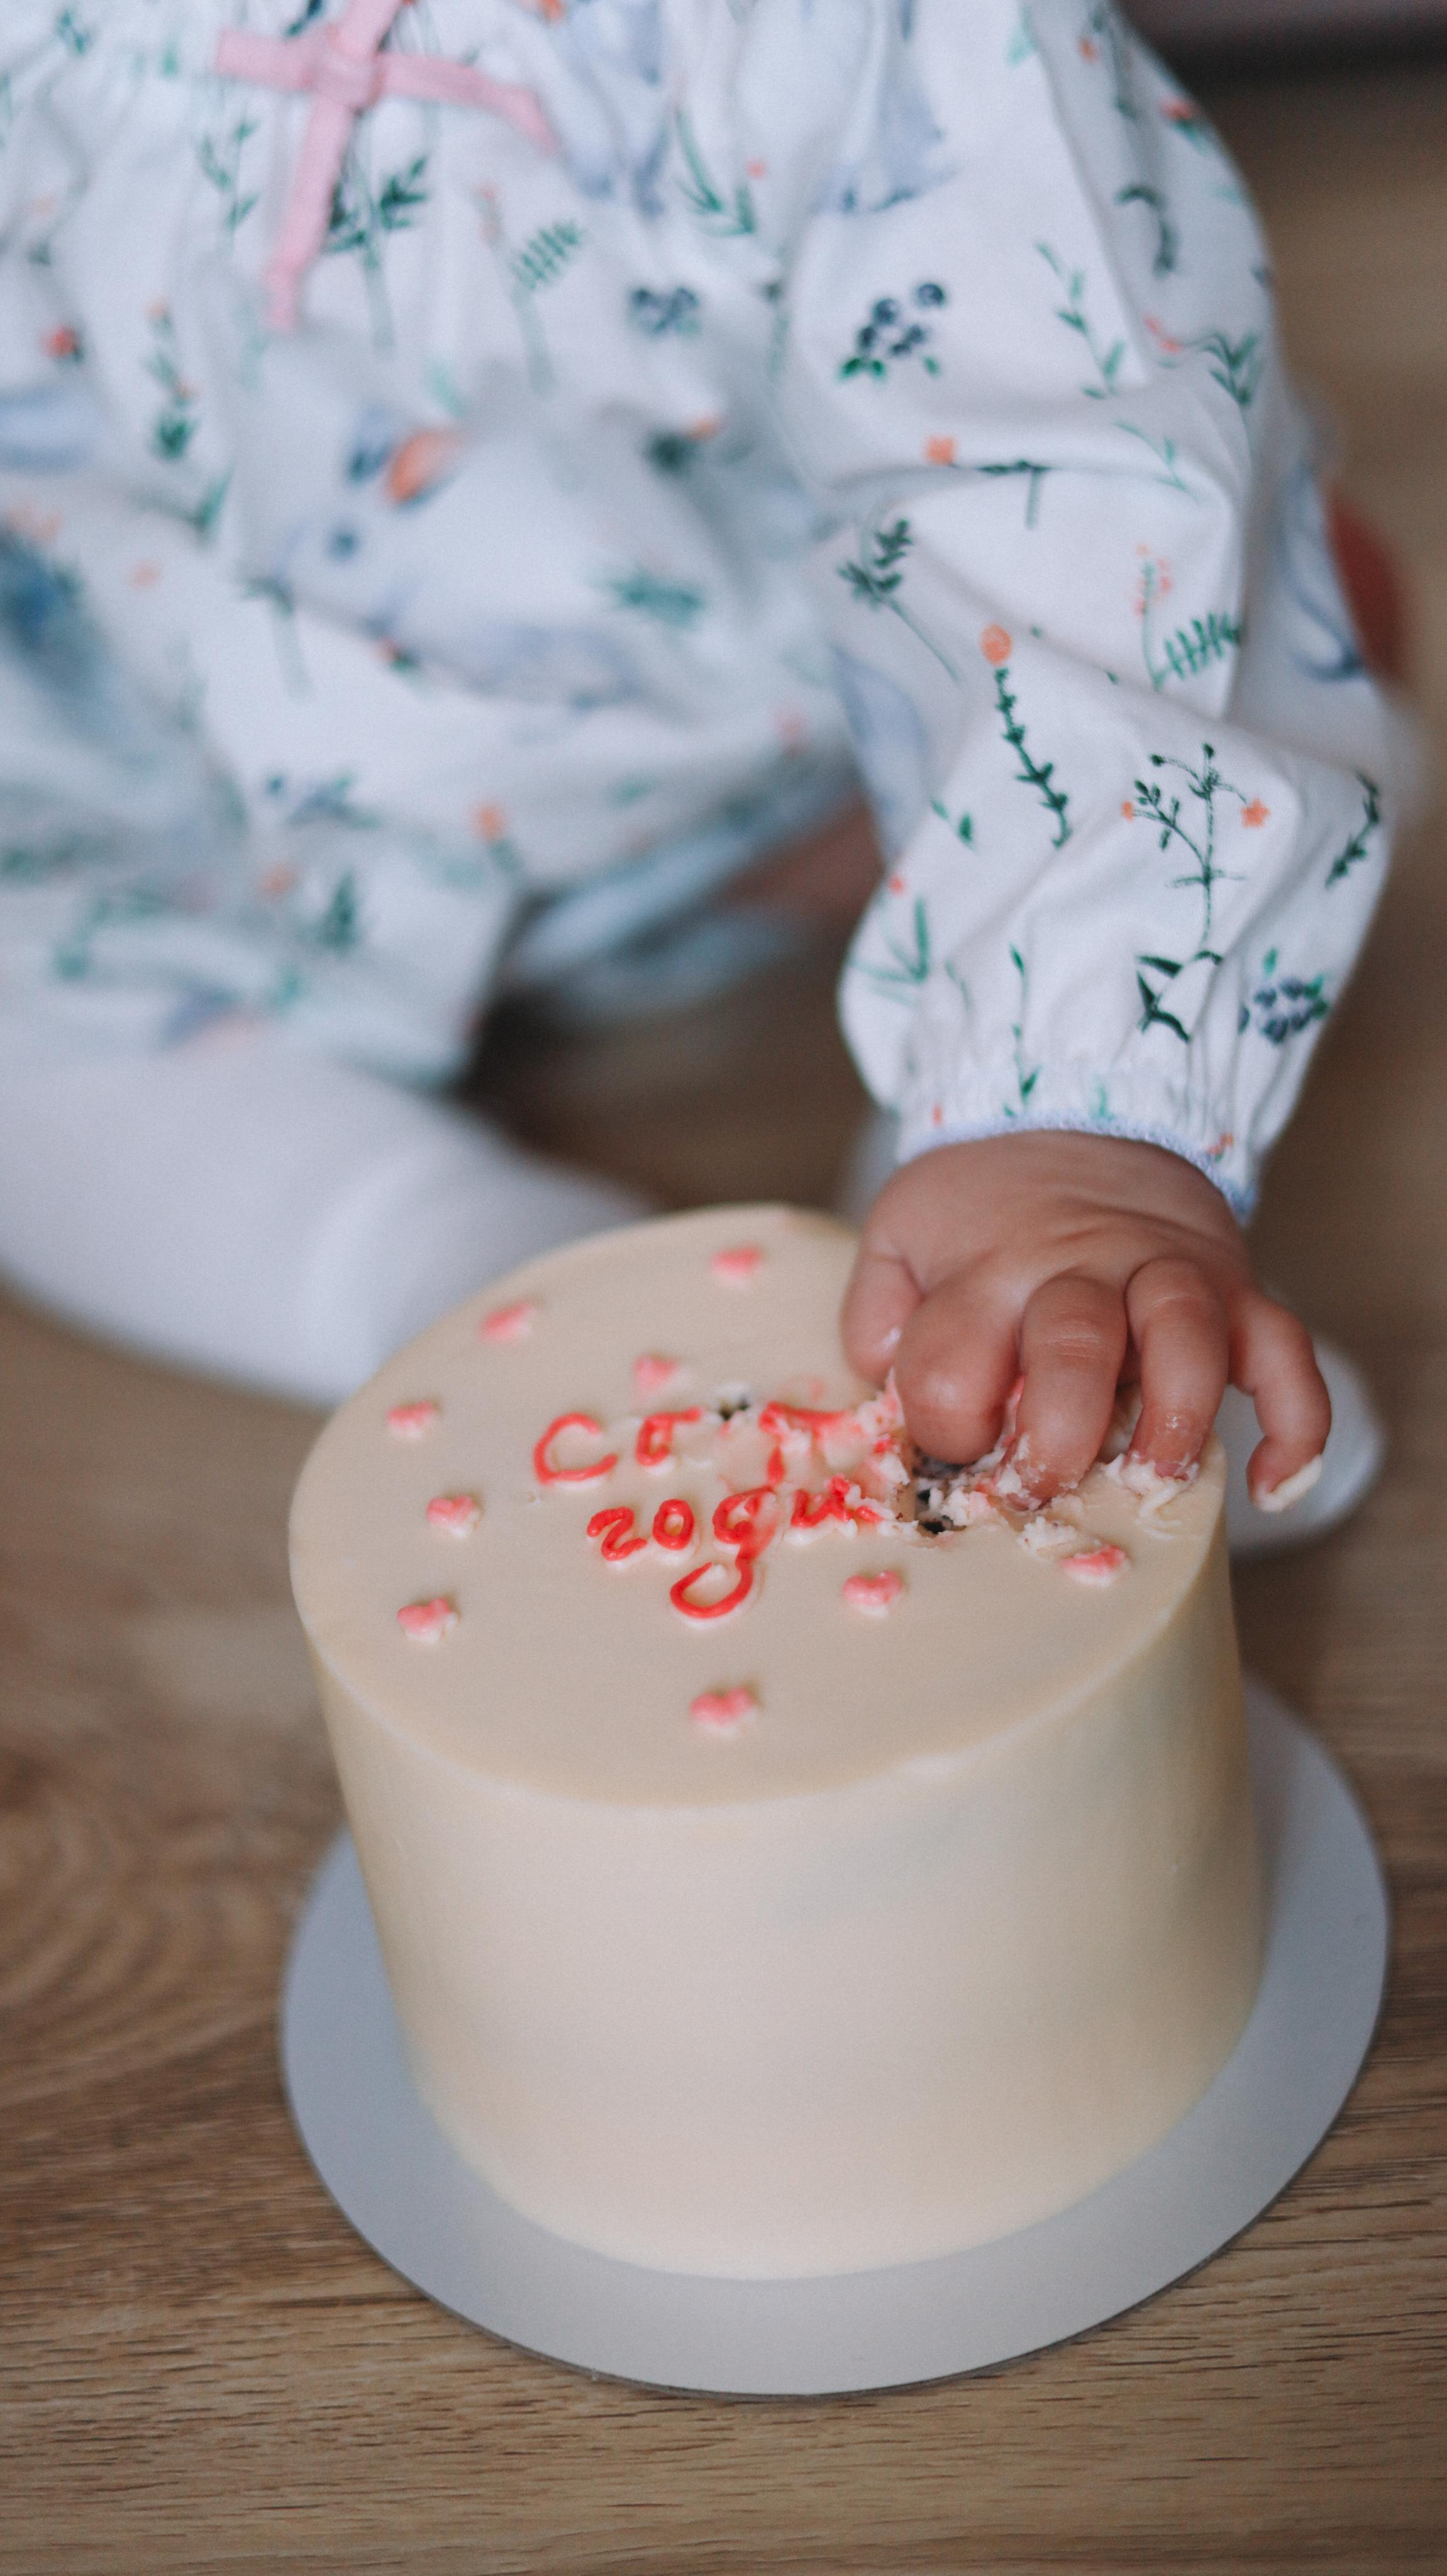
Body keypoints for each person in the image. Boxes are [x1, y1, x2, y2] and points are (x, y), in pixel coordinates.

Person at [0, 0, 1411, 1528]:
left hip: (765, 742)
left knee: (1249, 613)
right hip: (188, 797)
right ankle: (498, 1288)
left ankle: (976, 1276)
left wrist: (1069, 1109)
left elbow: (1060, 430)